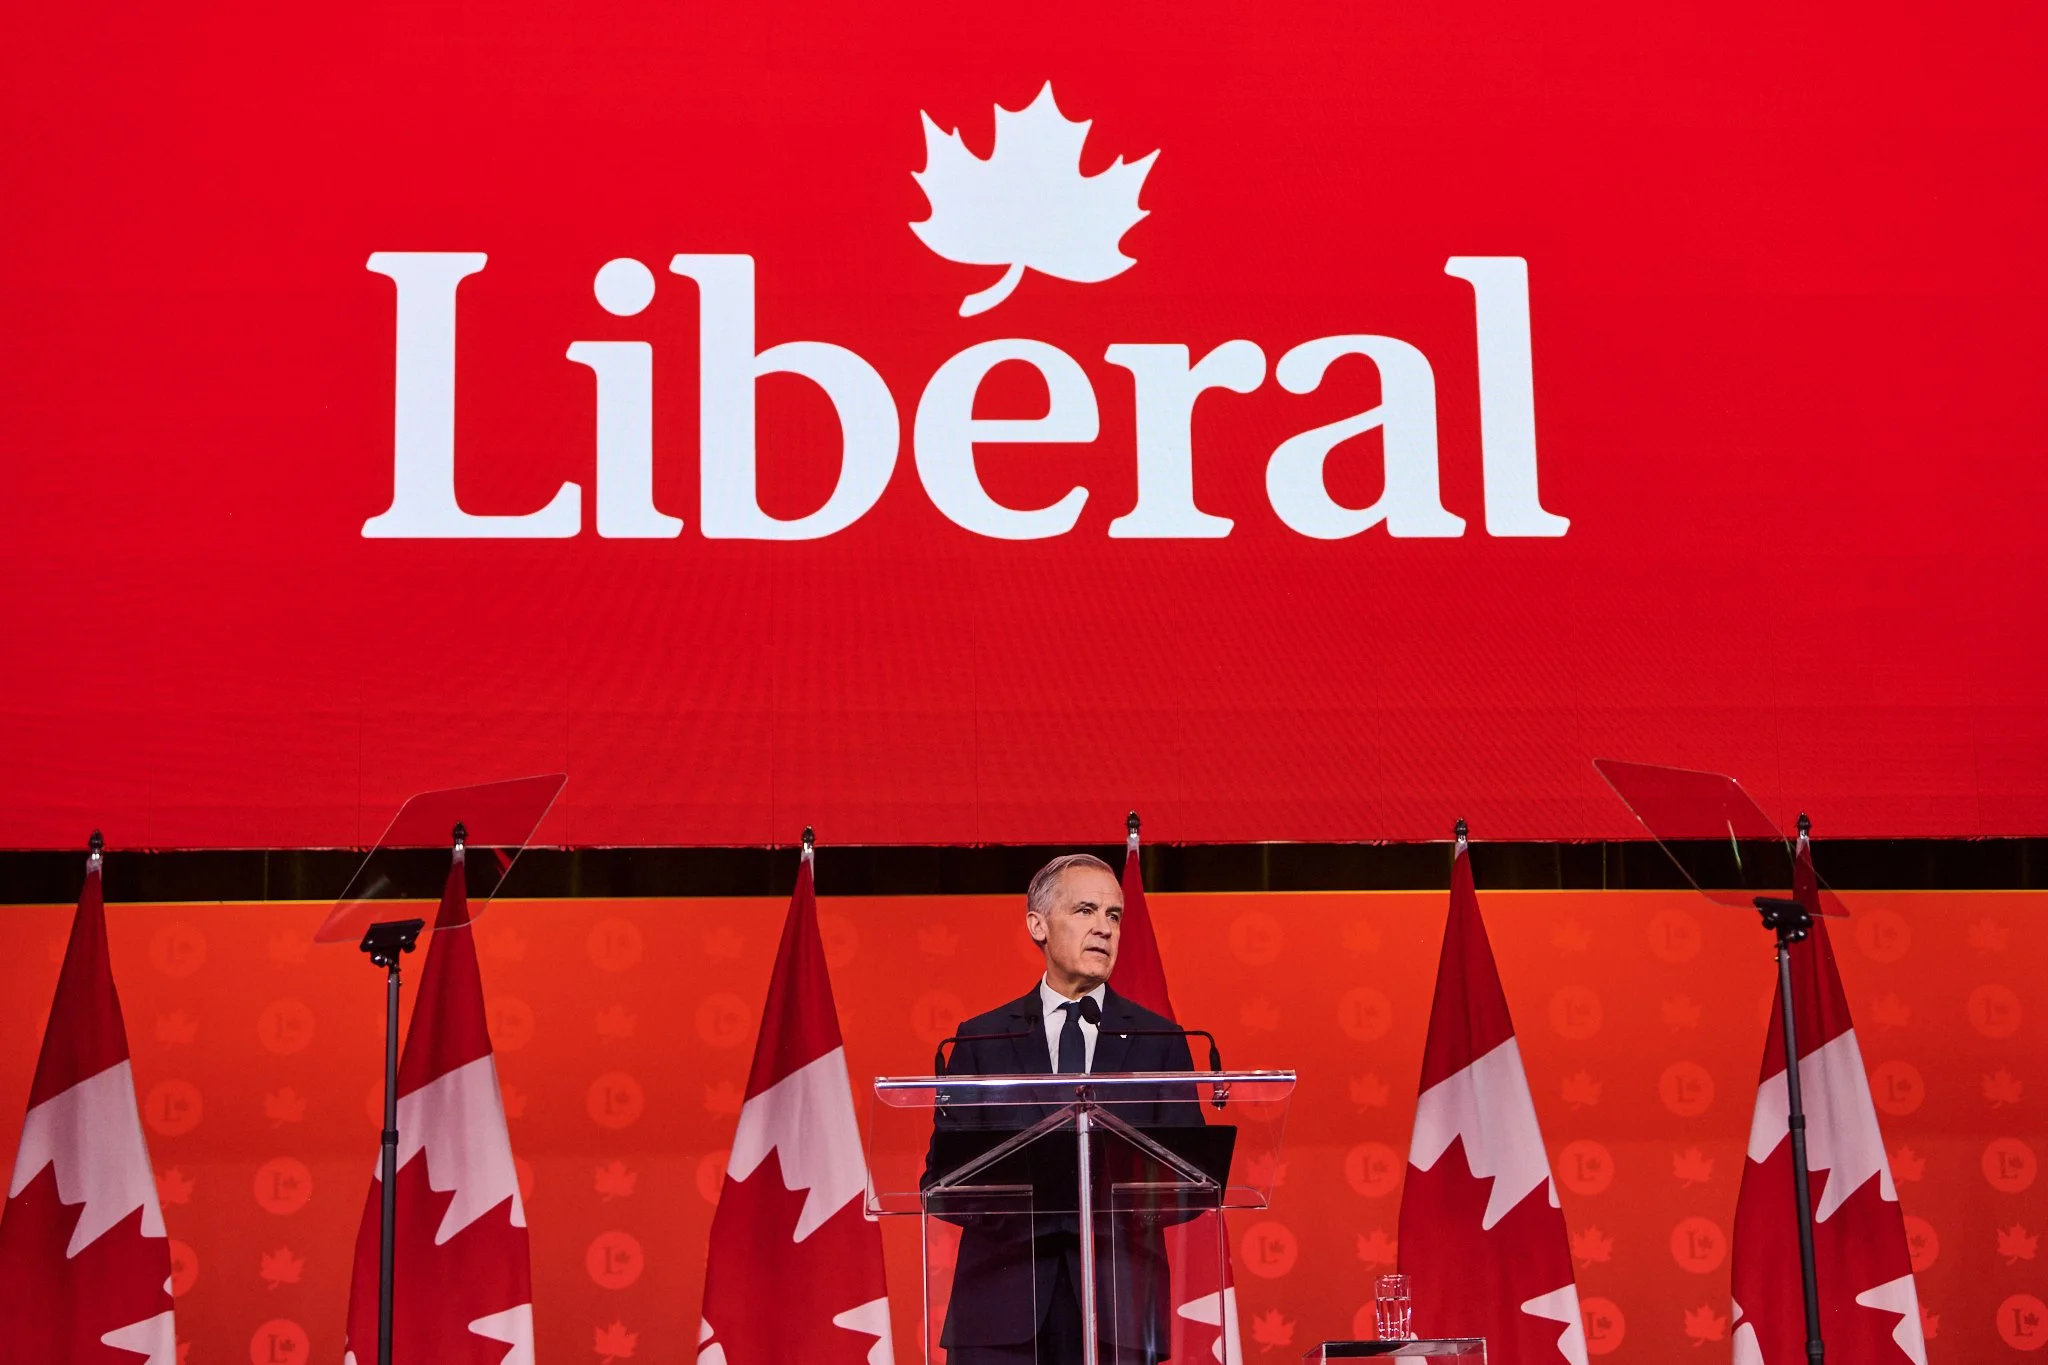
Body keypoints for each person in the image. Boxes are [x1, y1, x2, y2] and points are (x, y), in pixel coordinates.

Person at [928, 853, 1198, 1365]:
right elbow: (942, 1182)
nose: (1104, 929)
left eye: (1113, 916)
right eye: (1085, 910)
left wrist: (1119, 1198)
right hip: (1002, 1302)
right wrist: (1035, 1191)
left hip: (1119, 1303)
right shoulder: (982, 1040)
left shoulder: (1160, 1041)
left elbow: (1190, 1181)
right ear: (1038, 925)